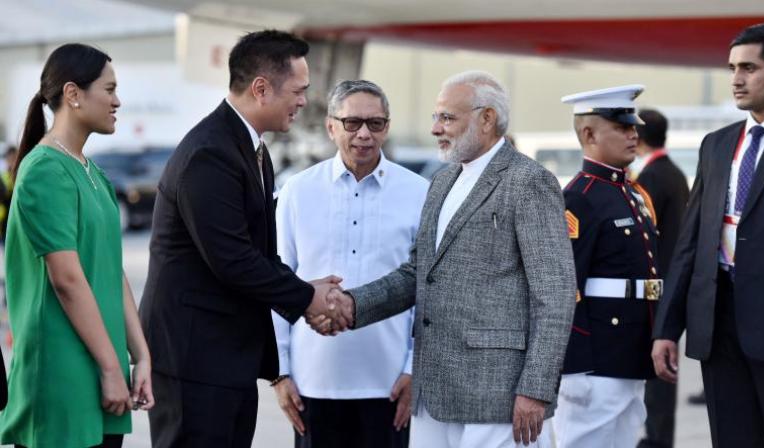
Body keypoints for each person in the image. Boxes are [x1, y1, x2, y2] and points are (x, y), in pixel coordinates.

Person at [323, 70, 576, 448]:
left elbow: (554, 294)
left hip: (498, 396)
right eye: (435, 117)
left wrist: (536, 389)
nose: (436, 129)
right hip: (435, 395)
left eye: (447, 118)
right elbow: (418, 273)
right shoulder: (443, 181)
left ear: (487, 118)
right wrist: (351, 304)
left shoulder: (528, 181)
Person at [138, 29, 343, 448]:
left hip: (224, 357)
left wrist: (306, 292)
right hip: (194, 359)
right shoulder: (210, 153)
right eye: (299, 90)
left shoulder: (252, 149)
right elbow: (233, 260)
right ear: (262, 88)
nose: (304, 101)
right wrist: (307, 298)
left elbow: (258, 253)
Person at [652, 22, 764, 448]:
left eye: (749, 68)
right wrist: (667, 328)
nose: (736, 79)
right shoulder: (716, 145)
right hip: (718, 330)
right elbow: (691, 243)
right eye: (732, 68)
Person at [0, 43, 154, 448]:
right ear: (73, 94)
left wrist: (140, 356)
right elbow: (67, 279)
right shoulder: (44, 170)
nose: (117, 100)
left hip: (101, 369)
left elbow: (111, 270)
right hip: (62, 376)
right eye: (109, 89)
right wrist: (110, 366)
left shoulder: (92, 173)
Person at [272, 79, 427, 448]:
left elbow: (427, 292)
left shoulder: (419, 192)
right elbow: (277, 283)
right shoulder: (297, 190)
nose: (363, 134)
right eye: (351, 122)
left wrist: (413, 369)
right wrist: (280, 372)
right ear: (330, 126)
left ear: (386, 127)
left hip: (389, 385)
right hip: (312, 384)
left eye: (375, 123)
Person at [554, 85, 660, 448]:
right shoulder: (578, 198)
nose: (634, 134)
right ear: (589, 134)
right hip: (596, 358)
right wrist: (578, 360)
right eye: (622, 127)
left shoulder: (631, 194)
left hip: (630, 351)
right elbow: (565, 285)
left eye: (634, 126)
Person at [634, 109, 689, 448]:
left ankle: (657, 438)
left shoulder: (652, 176)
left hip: (658, 283)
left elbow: (645, 236)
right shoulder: (674, 172)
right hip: (674, 277)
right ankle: (659, 435)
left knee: (658, 366)